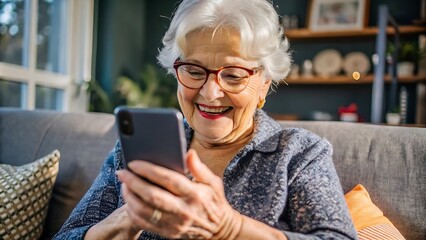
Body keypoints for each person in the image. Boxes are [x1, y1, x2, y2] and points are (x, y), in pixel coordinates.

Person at [54, 0, 357, 239]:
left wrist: (229, 229)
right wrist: (126, 220)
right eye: (194, 71)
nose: (210, 93)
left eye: (234, 76)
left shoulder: (298, 154)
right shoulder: (134, 151)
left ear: (264, 84)